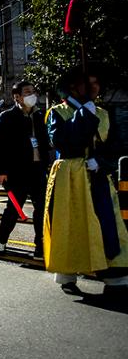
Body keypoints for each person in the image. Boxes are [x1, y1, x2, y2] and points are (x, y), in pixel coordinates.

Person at [43, 68, 128, 299]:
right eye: (88, 83)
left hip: (97, 175)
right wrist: (84, 115)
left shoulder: (102, 112)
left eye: (96, 83)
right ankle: (67, 273)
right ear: (73, 87)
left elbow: (114, 144)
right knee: (71, 223)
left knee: (108, 221)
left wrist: (101, 162)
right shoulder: (57, 112)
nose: (94, 88)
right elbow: (61, 140)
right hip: (70, 176)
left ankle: (115, 274)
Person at [0, 82, 50, 258]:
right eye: (27, 92)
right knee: (13, 209)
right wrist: (0, 171)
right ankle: (1, 241)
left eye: (33, 91)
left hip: (38, 169)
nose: (32, 95)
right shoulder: (6, 117)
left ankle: (40, 246)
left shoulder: (39, 116)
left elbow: (45, 142)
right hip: (17, 171)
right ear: (17, 96)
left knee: (41, 209)